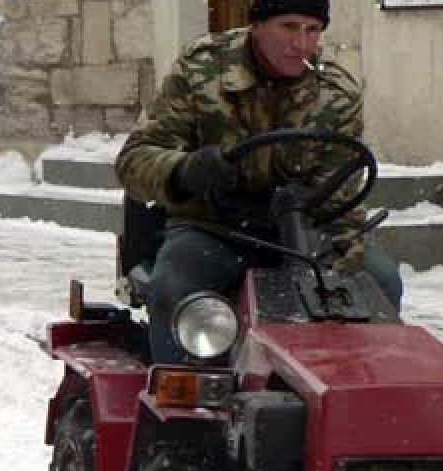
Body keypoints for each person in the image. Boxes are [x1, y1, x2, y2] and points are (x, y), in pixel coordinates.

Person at [116, 0, 403, 364]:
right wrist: (185, 170)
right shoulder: (202, 70)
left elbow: (340, 201)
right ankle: (181, 393)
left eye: (312, 30)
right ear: (256, 25)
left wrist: (343, 263)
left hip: (304, 233)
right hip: (212, 229)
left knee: (381, 282)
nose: (301, 44)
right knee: (175, 288)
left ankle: (353, 383)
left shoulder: (336, 94)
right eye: (289, 26)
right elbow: (134, 159)